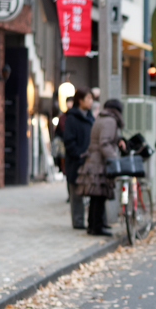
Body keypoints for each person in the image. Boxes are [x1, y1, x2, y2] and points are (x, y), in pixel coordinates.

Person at [77, 98, 125, 237]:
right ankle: (97, 227)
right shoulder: (110, 120)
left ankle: (93, 225)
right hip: (100, 163)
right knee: (99, 197)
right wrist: (114, 160)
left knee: (96, 197)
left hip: (93, 160)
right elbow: (104, 143)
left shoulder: (101, 118)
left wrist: (118, 139)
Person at [62, 89, 94, 229]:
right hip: (75, 161)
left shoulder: (91, 118)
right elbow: (68, 141)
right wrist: (79, 154)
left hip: (90, 161)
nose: (91, 101)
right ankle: (78, 222)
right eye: (88, 98)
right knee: (76, 194)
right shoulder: (71, 118)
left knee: (92, 191)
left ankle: (92, 221)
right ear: (80, 100)